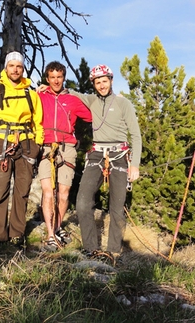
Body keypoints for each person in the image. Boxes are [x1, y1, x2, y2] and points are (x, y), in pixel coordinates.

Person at [69, 64, 142, 259]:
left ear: (111, 80)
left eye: (104, 81)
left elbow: (135, 134)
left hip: (119, 155)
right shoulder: (91, 100)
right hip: (96, 154)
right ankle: (91, 248)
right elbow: (71, 92)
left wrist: (134, 164)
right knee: (83, 202)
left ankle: (113, 251)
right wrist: (47, 88)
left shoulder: (123, 103)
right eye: (97, 82)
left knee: (117, 207)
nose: (102, 85)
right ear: (93, 84)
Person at [0, 51, 44, 248]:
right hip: (1, 143)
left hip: (26, 144)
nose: (15, 69)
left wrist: (37, 145)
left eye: (19, 66)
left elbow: (38, 122)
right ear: (6, 68)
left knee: (22, 191)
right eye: (12, 66)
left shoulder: (31, 94)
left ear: (23, 69)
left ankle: (17, 233)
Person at [37, 61, 92, 252]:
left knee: (64, 193)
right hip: (45, 147)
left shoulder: (73, 100)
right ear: (47, 78)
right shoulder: (39, 96)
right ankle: (51, 235)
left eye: (59, 77)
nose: (55, 81)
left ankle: (58, 227)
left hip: (67, 146)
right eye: (52, 77)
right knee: (47, 191)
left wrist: (113, 103)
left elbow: (92, 117)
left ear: (64, 78)